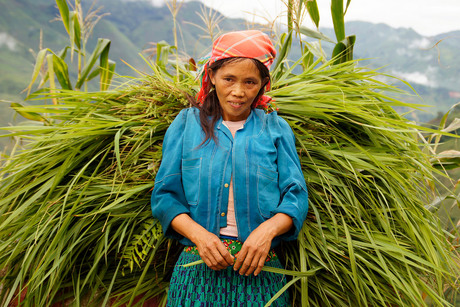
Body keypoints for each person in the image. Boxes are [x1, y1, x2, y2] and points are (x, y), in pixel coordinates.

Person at [151, 30, 309, 306]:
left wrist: (266, 232)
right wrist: (200, 237)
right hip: (197, 270)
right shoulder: (187, 125)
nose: (238, 91)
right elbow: (165, 197)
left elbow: (296, 196)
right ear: (212, 76)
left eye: (250, 82)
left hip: (261, 270)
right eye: (228, 79)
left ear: (263, 84)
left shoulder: (275, 128)